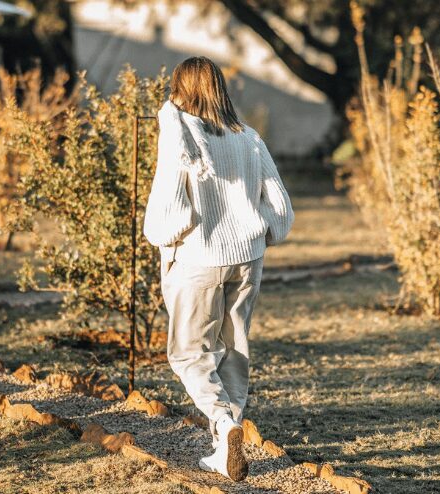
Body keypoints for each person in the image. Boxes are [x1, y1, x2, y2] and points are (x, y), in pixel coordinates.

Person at [143, 56, 294, 482]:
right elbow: (280, 204)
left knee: (191, 353)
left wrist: (164, 236)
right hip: (248, 258)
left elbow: (170, 212)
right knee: (234, 348)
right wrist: (263, 230)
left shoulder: (179, 138)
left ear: (181, 88)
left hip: (198, 258)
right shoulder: (248, 137)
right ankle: (222, 445)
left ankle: (223, 423)